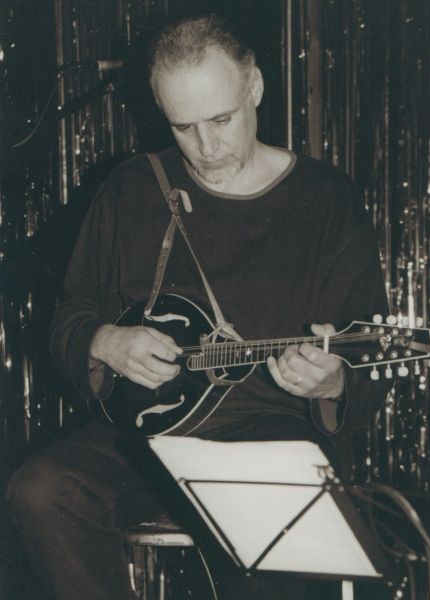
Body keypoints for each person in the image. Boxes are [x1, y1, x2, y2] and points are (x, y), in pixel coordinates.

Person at [6, 13, 389, 600]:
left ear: (254, 87)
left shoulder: (326, 199)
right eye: (183, 127)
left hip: (270, 434)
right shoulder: (131, 187)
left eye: (221, 120)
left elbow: (368, 358)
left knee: (268, 516)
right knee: (41, 491)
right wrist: (105, 342)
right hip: (144, 436)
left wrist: (333, 380)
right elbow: (69, 318)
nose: (207, 147)